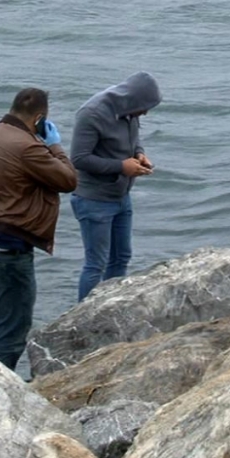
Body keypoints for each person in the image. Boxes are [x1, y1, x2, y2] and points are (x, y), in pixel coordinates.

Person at [0, 88, 77, 371]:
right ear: (39, 119)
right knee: (11, 329)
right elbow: (68, 180)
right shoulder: (28, 147)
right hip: (5, 249)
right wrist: (55, 146)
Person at [70, 71, 162, 302]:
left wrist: (139, 154)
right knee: (96, 264)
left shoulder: (129, 110)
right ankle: (81, 319)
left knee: (121, 257)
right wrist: (121, 166)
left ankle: (110, 307)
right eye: (144, 107)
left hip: (121, 195)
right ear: (132, 100)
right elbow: (79, 159)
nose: (146, 112)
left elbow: (133, 138)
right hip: (94, 199)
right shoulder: (91, 114)